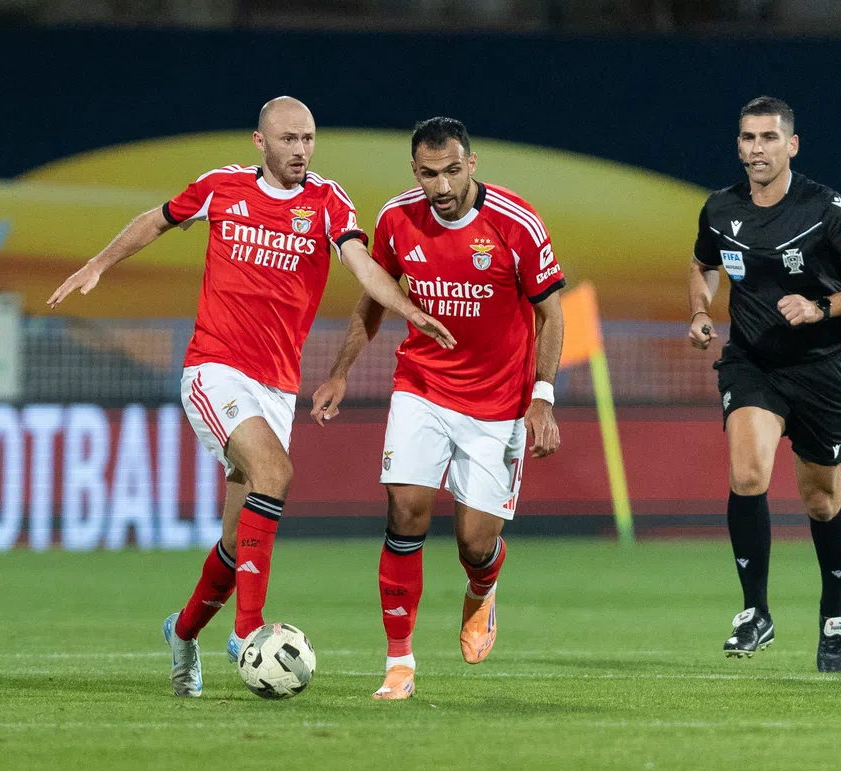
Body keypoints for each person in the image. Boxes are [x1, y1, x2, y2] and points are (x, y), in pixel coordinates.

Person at [48, 96, 455, 698]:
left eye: (308, 138)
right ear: (260, 142)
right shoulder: (222, 187)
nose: (301, 150)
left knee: (238, 542)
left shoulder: (327, 201)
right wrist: (99, 263)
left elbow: (363, 266)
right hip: (214, 370)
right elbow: (157, 219)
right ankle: (248, 634)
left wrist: (407, 311)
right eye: (289, 139)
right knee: (275, 472)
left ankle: (182, 631)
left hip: (276, 388)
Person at [310, 117, 566, 699]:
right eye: (430, 174)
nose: (442, 186)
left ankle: (482, 589)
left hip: (498, 403)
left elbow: (551, 312)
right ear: (415, 171)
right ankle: (399, 662)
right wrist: (340, 372)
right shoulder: (396, 219)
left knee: (475, 544)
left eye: (452, 170)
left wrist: (543, 397)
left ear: (472, 164)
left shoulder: (516, 223)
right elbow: (374, 300)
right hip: (421, 386)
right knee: (405, 511)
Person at [687, 96, 841, 672]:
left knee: (821, 500)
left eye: (768, 138)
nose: (756, 149)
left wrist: (821, 306)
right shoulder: (720, 208)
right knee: (747, 474)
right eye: (747, 138)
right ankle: (755, 612)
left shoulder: (824, 208)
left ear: (792, 145)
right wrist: (701, 310)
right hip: (751, 362)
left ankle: (834, 612)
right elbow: (703, 264)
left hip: (821, 369)